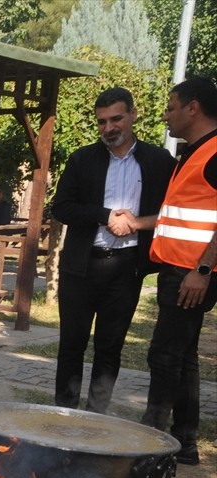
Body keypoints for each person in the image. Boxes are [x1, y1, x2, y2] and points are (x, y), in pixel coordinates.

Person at [50, 87, 176, 414]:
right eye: (102, 122)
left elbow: (173, 210)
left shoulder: (159, 161)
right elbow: (61, 207)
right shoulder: (82, 159)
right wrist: (105, 216)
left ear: (133, 115)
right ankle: (64, 415)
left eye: (116, 118)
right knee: (71, 346)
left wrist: (135, 223)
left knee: (109, 349)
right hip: (80, 267)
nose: (109, 128)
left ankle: (95, 418)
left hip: (126, 268)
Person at [140, 77, 217, 466]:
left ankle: (149, 440)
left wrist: (202, 270)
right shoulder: (192, 152)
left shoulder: (214, 152)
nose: (166, 114)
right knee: (183, 357)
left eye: (171, 107)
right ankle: (184, 441)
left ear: (193, 108)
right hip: (179, 269)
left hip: (192, 273)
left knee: (164, 356)